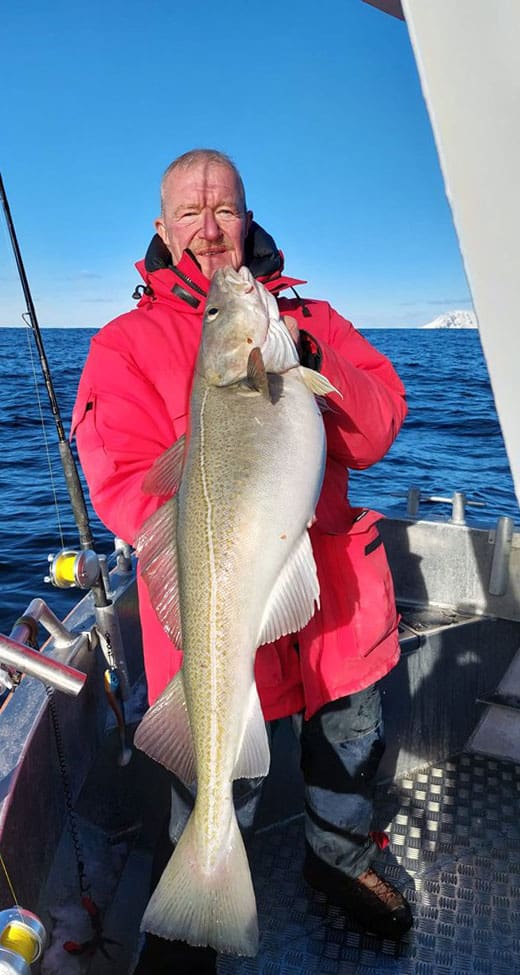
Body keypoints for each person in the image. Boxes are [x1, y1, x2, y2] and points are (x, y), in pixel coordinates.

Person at [72, 148, 411, 972]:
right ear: (162, 229)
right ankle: (193, 910)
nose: (209, 230)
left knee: (349, 750)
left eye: (224, 209)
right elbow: (122, 483)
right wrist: (224, 513)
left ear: (248, 218)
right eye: (189, 213)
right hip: (221, 599)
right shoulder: (123, 344)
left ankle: (339, 862)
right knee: (215, 776)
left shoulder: (309, 321)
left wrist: (310, 358)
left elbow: (378, 427)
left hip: (334, 604)